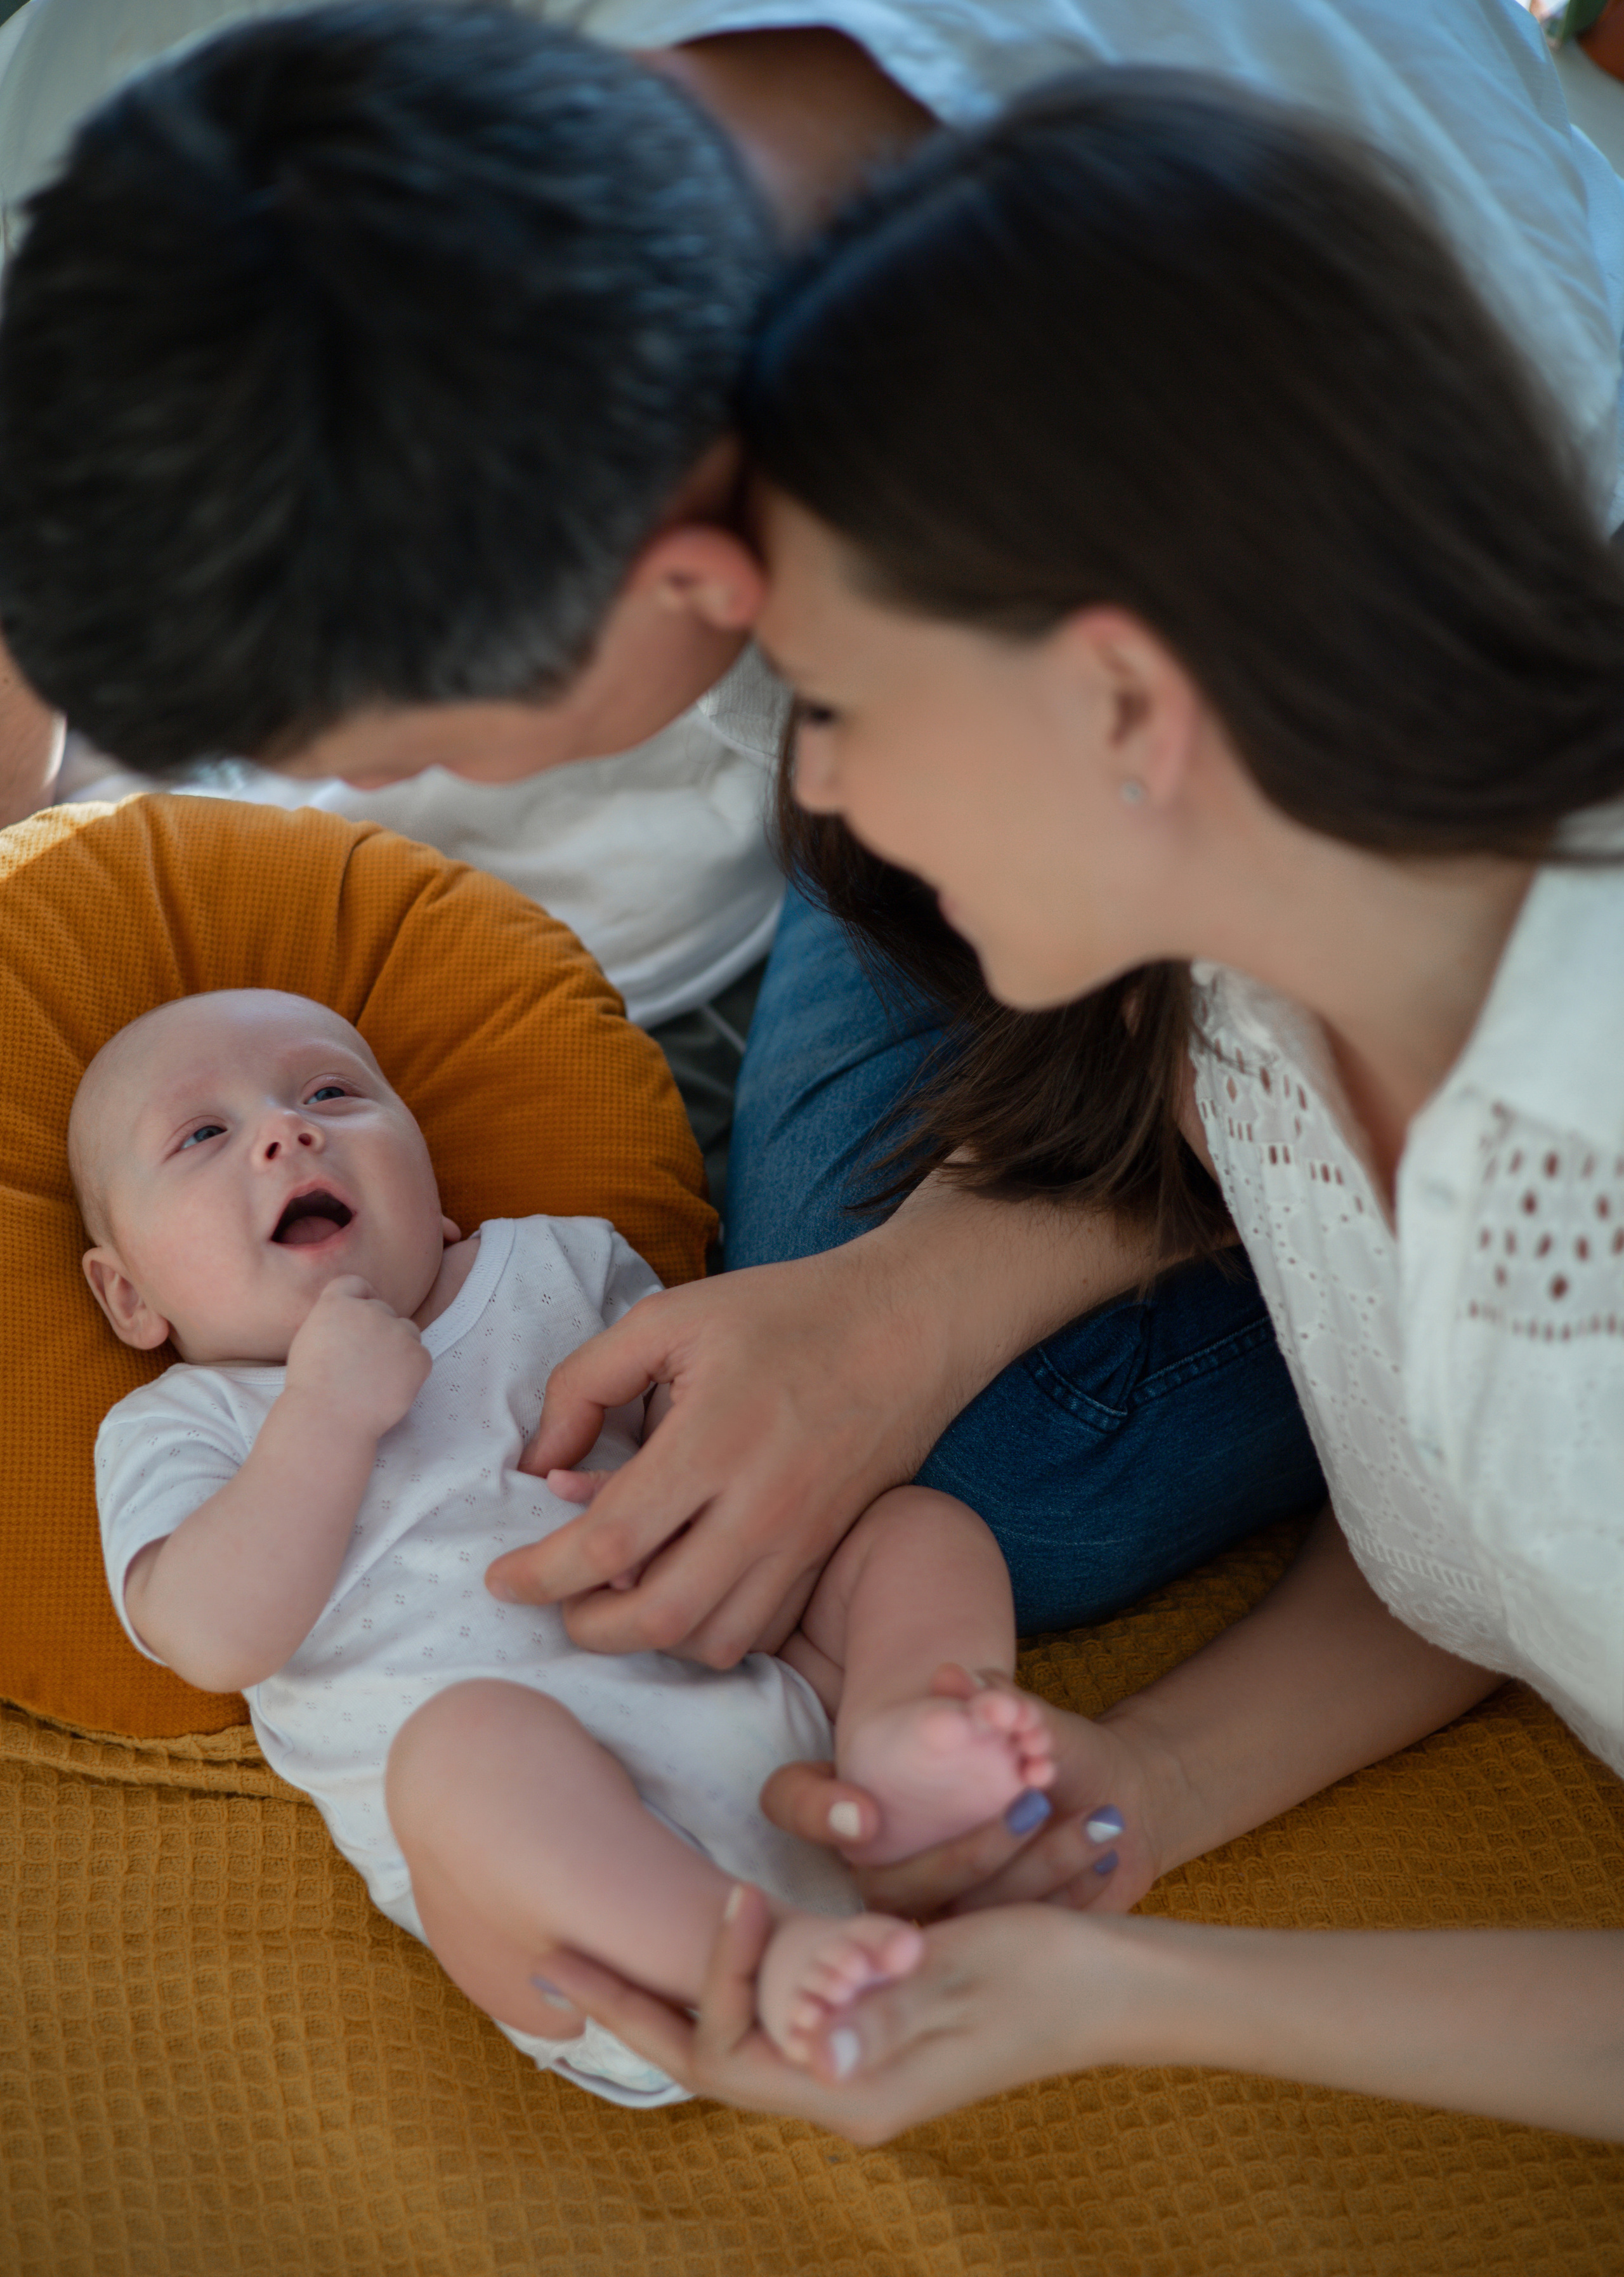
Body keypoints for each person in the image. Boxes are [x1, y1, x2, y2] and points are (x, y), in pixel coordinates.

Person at [0, 0, 1620, 1670]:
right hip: (1055, 771)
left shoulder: (1389, 388)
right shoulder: (523, 186)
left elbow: (1377, 940)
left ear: (701, 586)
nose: (359, 808)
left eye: (404, 757)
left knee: (977, 1471)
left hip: (1399, 793)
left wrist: (913, 1306)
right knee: (763, 1451)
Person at [520, 77, 1624, 2141]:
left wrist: (1134, 1992)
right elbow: (1479, 1524)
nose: (820, 787)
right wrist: (1153, 1796)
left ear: (1121, 702)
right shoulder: (1257, 999)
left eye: (838, 701)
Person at [77, 987, 1054, 2105]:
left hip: (772, 1714)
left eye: (333, 1093)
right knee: (458, 1752)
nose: (286, 1130)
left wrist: (665, 1488)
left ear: (431, 1189)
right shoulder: (184, 1423)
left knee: (909, 1532)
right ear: (129, 1296)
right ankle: (755, 1953)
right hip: (572, 1918)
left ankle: (908, 1749)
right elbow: (210, 1636)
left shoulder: (555, 1263)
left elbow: (725, 1432)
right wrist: (324, 1414)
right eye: (202, 1134)